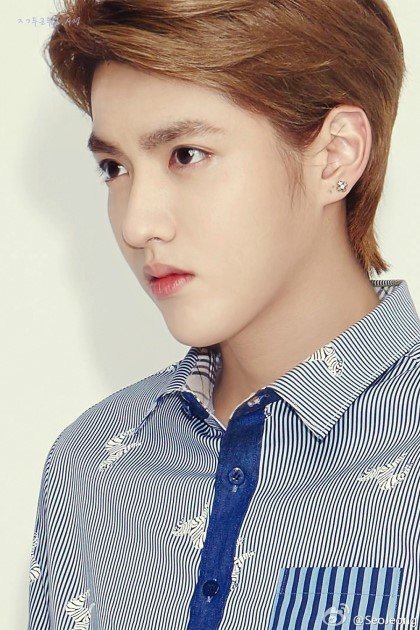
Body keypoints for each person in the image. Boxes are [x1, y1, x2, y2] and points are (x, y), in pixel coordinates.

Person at [28, 0, 420, 628]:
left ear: (336, 156)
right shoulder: (93, 462)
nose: (136, 224)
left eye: (186, 154)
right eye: (114, 168)